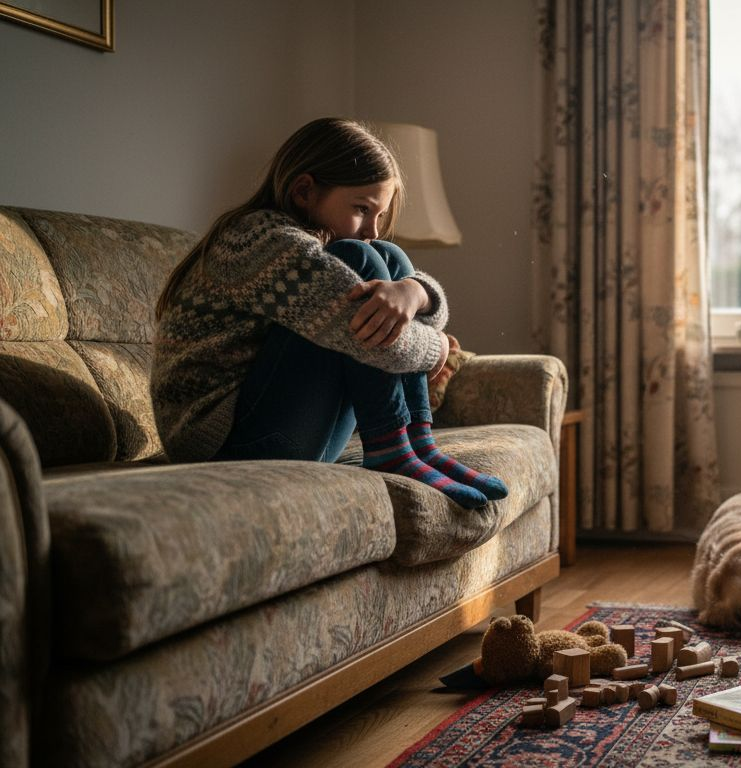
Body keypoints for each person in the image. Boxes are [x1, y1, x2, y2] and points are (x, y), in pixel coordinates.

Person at [152, 117, 507, 510]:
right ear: (304, 191)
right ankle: (391, 449)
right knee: (358, 256)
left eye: (379, 214)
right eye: (362, 209)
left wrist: (416, 291)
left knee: (388, 255)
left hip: (281, 430)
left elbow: (417, 320)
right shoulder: (261, 242)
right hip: (224, 445)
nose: (372, 228)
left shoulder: (312, 241)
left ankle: (417, 443)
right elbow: (390, 349)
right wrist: (438, 347)